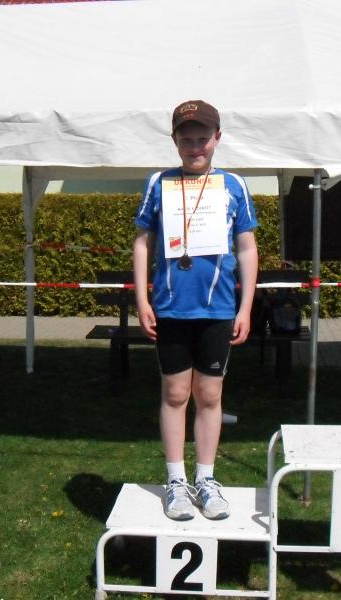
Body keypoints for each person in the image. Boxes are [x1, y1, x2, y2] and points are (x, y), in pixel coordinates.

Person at [133, 100, 258, 520]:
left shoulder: (234, 185)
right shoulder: (158, 182)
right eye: (186, 139)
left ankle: (206, 479)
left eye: (202, 138)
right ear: (174, 140)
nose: (194, 147)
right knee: (174, 394)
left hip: (218, 309)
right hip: (171, 309)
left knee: (210, 394)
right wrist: (142, 298)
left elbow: (247, 247)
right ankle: (176, 481)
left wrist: (246, 306)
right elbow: (142, 242)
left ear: (217, 138)